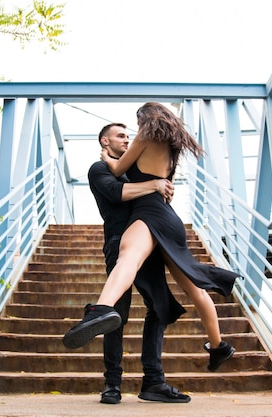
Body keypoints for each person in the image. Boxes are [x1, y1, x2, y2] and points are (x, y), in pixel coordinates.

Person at [63, 102, 240, 372]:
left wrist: (106, 157)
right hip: (170, 218)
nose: (132, 133)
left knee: (129, 258)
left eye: (135, 123)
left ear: (145, 118)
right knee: (195, 289)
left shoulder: (145, 137)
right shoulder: (171, 148)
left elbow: (119, 167)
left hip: (150, 214)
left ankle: (101, 308)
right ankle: (218, 346)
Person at [63, 122, 190, 404]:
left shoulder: (135, 168)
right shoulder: (100, 169)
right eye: (120, 136)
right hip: (119, 243)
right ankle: (112, 384)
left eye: (128, 136)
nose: (127, 139)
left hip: (150, 242)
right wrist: (153, 185)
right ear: (104, 141)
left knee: (160, 308)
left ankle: (154, 382)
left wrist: (162, 186)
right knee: (114, 314)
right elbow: (116, 194)